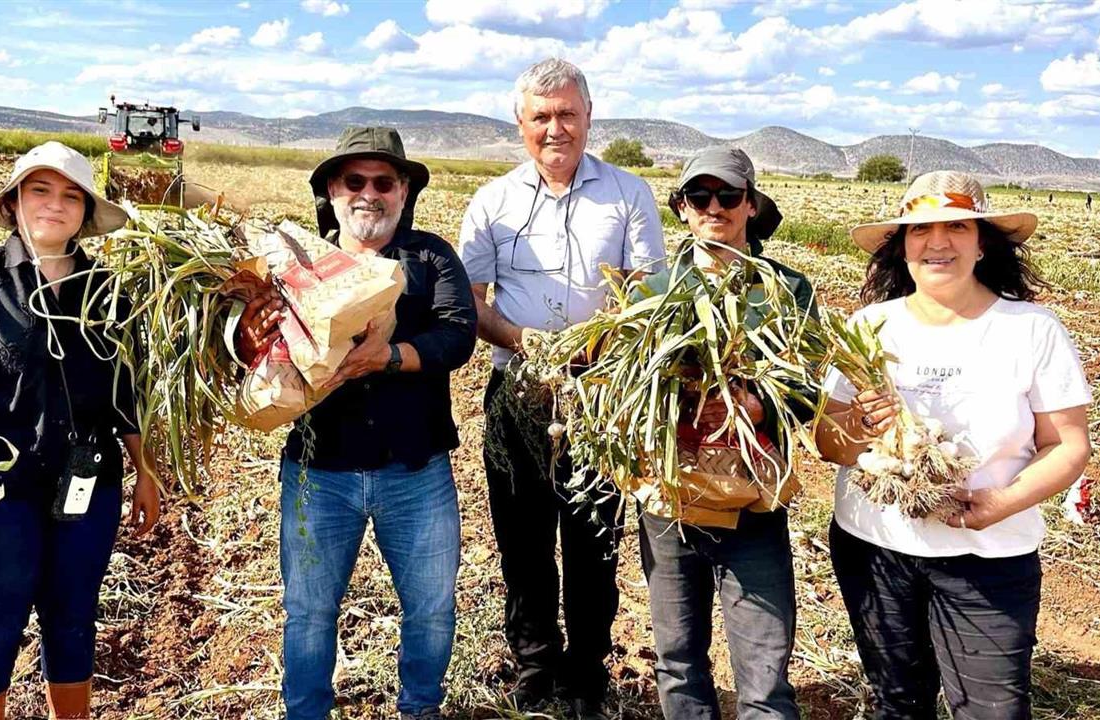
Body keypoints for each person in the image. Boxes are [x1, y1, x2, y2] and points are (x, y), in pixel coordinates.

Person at [0, 141, 161, 720]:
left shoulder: (110, 294)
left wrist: (145, 470)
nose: (55, 205)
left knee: (72, 616)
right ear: (15, 201)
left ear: (86, 215)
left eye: (71, 196)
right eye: (41, 189)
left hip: (87, 484)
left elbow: (128, 396)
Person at [815, 171, 1092, 718]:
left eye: (957, 227)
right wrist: (864, 431)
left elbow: (1067, 445)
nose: (937, 242)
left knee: (991, 708)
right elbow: (826, 438)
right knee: (896, 703)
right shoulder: (870, 325)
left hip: (988, 557)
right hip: (876, 549)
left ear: (982, 241)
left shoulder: (1031, 329)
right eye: (920, 231)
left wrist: (1002, 503)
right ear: (903, 245)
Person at [237, 126, 477, 720]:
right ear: (332, 192)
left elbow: (457, 334)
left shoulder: (429, 257)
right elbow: (247, 353)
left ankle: (420, 709)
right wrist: (248, 333)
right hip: (319, 473)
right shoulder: (295, 266)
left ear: (402, 192)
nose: (369, 193)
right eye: (355, 181)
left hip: (416, 471)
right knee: (310, 612)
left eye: (384, 181)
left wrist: (390, 357)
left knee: (430, 609)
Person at [457, 58, 665, 720]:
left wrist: (596, 345)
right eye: (541, 116)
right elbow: (472, 302)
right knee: (521, 535)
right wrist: (524, 341)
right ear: (521, 124)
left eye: (567, 114)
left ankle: (585, 669)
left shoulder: (629, 195)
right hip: (517, 391)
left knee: (593, 539)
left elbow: (646, 299)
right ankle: (536, 663)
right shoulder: (493, 201)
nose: (556, 128)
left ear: (589, 118)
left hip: (603, 396)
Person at [635, 147, 814, 720]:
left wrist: (754, 407)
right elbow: (623, 387)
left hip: (755, 499)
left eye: (728, 196)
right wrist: (675, 401)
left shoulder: (787, 290)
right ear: (682, 209)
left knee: (765, 669)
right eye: (700, 197)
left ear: (752, 205)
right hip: (673, 499)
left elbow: (814, 386)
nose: (715, 207)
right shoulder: (651, 292)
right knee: (679, 657)